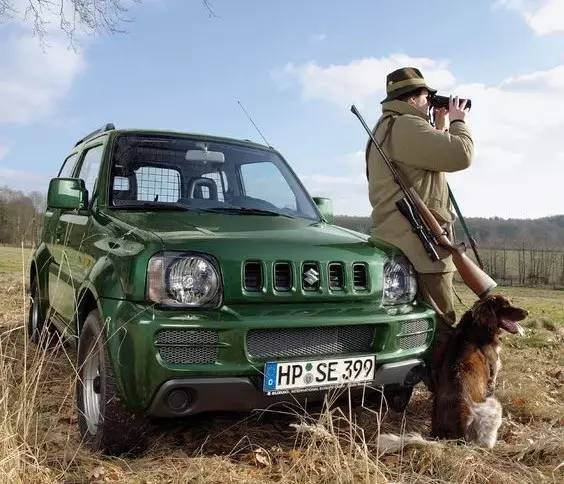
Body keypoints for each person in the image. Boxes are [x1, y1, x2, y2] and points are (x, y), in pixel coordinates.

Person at [366, 67, 473, 380]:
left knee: (406, 324)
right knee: (443, 326)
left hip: (394, 240)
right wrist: (458, 121)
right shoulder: (408, 126)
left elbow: (423, 167)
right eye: (427, 97)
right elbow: (461, 155)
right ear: (412, 99)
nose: (430, 102)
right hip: (423, 245)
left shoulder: (385, 128)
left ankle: (404, 382)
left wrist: (438, 127)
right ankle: (449, 393)